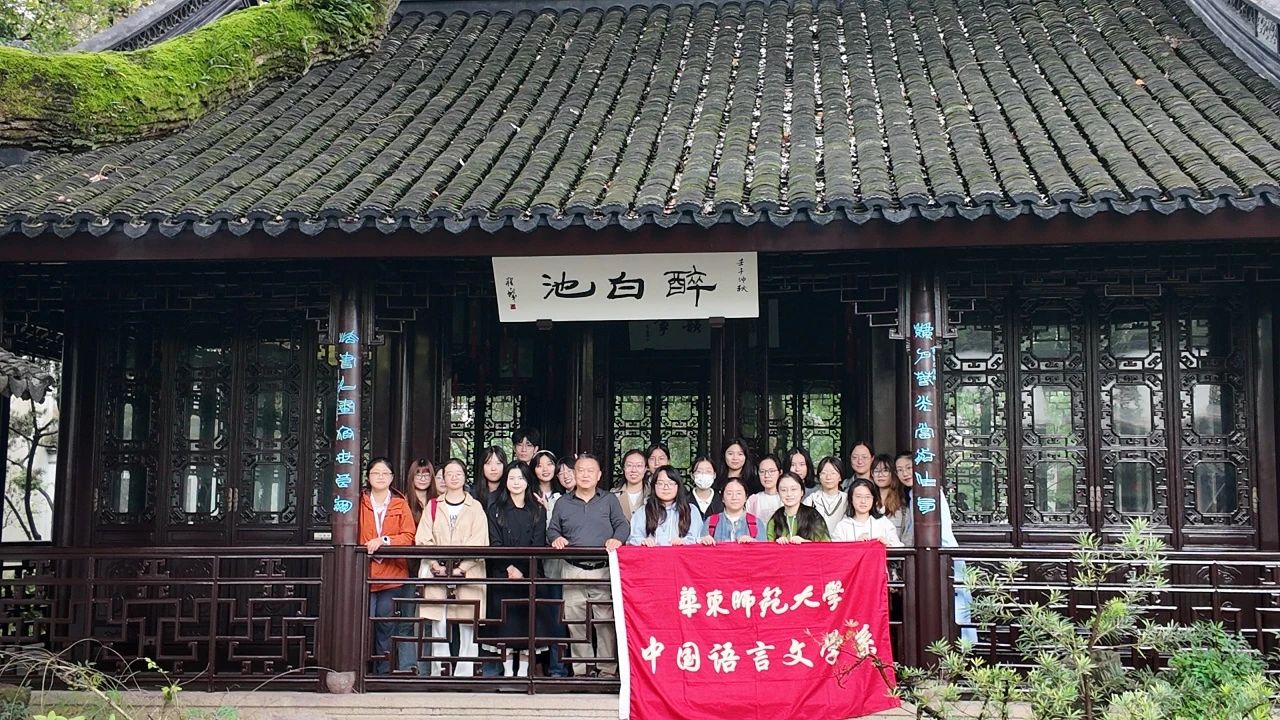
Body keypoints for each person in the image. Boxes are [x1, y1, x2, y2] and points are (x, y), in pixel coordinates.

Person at [548, 453, 629, 677]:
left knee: (605, 622)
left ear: (599, 475)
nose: (585, 475)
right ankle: (582, 671)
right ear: (574, 474)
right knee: (575, 622)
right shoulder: (563, 503)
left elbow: (622, 525)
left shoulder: (609, 500)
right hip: (572, 569)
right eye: (580, 470)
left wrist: (617, 539)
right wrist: (556, 538)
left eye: (590, 471)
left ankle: (606, 670)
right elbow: (552, 529)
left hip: (602, 570)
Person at [481, 461, 562, 677]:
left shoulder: (537, 510)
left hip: (530, 573)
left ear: (528, 481)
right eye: (512, 478)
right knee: (505, 627)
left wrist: (522, 571)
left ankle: (524, 672)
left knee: (528, 625)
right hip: (502, 574)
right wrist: (509, 567)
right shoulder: (495, 509)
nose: (516, 482)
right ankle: (508, 673)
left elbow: (537, 544)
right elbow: (494, 543)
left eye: (521, 478)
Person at [416, 458, 489, 677]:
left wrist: (462, 568)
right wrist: (435, 564)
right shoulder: (433, 506)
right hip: (437, 571)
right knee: (439, 624)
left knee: (467, 624)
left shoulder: (475, 507)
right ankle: (440, 672)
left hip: (469, 572)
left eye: (458, 473)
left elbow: (480, 541)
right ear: (443, 478)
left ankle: (465, 673)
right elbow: (423, 538)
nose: (454, 477)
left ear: (465, 477)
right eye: (449, 474)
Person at [895, 451, 976, 643]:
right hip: (932, 557)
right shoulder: (913, 494)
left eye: (908, 468)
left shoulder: (929, 491)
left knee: (956, 604)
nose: (904, 473)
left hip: (944, 555)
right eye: (899, 470)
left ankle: (964, 648)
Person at [360, 458, 419, 674]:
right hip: (363, 574)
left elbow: (409, 536)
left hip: (391, 575)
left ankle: (382, 672)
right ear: (368, 477)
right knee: (362, 624)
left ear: (392, 478)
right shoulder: (358, 503)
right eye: (376, 473)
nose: (381, 477)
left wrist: (384, 541)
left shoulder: (399, 503)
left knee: (386, 624)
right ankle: (361, 670)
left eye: (385, 473)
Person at [628, 466, 702, 546]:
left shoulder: (691, 511)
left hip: (680, 553)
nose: (666, 487)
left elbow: (697, 538)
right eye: (660, 483)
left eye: (670, 483)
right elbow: (633, 538)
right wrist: (643, 541)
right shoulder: (643, 512)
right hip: (652, 553)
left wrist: (683, 542)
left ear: (678, 486)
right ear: (654, 486)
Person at [833, 479, 902, 546]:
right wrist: (856, 545)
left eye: (867, 497)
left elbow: (899, 549)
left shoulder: (883, 522)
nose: (863, 501)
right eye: (858, 496)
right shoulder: (842, 526)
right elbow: (836, 551)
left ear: (873, 499)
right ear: (851, 499)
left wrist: (887, 545)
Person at [767, 472, 830, 542]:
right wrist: (777, 544)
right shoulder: (775, 519)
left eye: (793, 489)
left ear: (802, 492)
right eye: (783, 490)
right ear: (778, 493)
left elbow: (826, 546)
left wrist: (805, 542)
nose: (789, 494)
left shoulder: (813, 516)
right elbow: (768, 547)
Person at [700, 478, 766, 544]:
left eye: (739, 493)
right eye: (729, 493)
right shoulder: (710, 522)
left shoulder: (757, 523)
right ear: (722, 498)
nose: (734, 497)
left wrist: (753, 543)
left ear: (746, 497)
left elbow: (764, 549)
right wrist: (704, 541)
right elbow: (700, 548)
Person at [804, 456, 849, 536]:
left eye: (833, 473)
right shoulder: (811, 500)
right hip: (818, 542)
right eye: (824, 473)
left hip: (842, 541)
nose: (828, 477)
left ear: (840, 477)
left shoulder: (847, 499)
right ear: (819, 477)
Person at [871, 454, 911, 545]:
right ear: (872, 474)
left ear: (893, 473)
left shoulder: (903, 507)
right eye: (876, 471)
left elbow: (908, 540)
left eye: (885, 470)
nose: (880, 475)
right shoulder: (868, 503)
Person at [612, 449, 649, 522]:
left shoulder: (652, 493)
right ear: (624, 468)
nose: (634, 470)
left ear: (645, 469)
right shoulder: (613, 495)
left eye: (639, 465)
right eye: (629, 465)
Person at [745, 454, 783, 522]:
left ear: (780, 473)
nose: (766, 475)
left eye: (771, 471)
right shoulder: (753, 500)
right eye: (762, 471)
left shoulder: (787, 498)